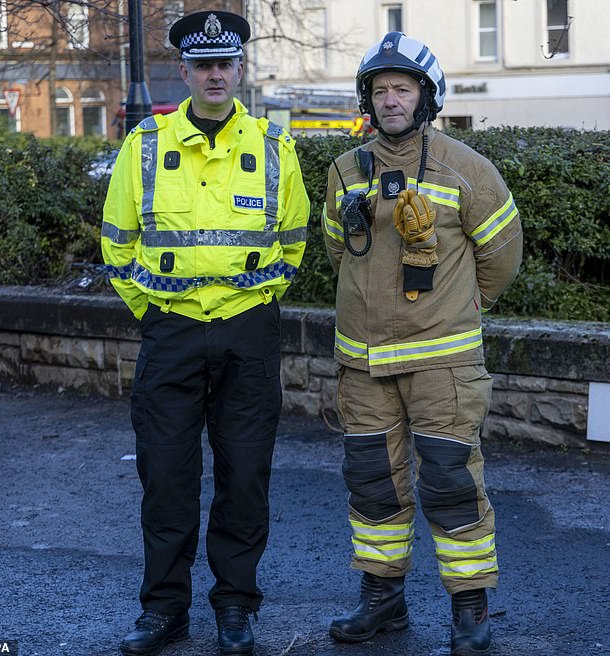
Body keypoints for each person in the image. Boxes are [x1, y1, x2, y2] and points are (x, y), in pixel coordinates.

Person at [101, 10, 309, 656]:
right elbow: (117, 242)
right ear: (185, 71)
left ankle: (236, 607)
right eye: (204, 65)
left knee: (245, 477)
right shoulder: (145, 147)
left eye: (226, 64)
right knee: (166, 477)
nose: (216, 75)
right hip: (172, 334)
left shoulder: (275, 147)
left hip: (248, 333)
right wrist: (156, 310)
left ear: (240, 69)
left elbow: (294, 243)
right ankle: (164, 609)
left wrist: (252, 304)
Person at [322, 31, 522, 656]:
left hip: (443, 363)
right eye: (379, 90)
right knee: (373, 484)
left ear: (425, 96)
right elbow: (338, 250)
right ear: (368, 99)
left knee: (450, 483)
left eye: (401, 88)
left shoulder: (467, 169)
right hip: (365, 362)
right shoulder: (343, 171)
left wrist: (462, 307)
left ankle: (470, 608)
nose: (390, 100)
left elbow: (503, 258)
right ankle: (382, 602)